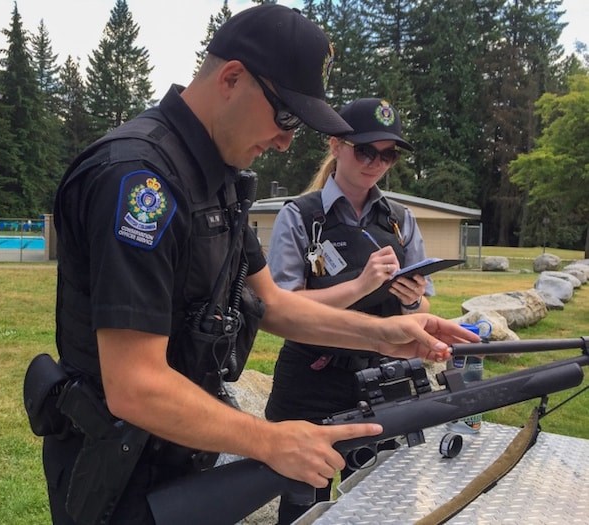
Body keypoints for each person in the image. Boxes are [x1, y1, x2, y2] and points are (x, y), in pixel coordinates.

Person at [36, 6, 477, 525]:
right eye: (287, 115)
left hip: (183, 447)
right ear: (231, 78)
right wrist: (272, 440)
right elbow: (135, 383)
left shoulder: (215, 178)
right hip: (119, 471)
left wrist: (385, 334)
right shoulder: (141, 180)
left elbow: (270, 302)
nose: (288, 140)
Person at [265, 98, 435, 523]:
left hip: (384, 375)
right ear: (336, 145)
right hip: (312, 376)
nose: (376, 163)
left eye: (388, 154)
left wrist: (413, 299)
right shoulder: (300, 216)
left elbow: (424, 301)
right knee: (303, 501)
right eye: (365, 150)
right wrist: (361, 284)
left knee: (384, 501)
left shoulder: (400, 219)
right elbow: (282, 304)